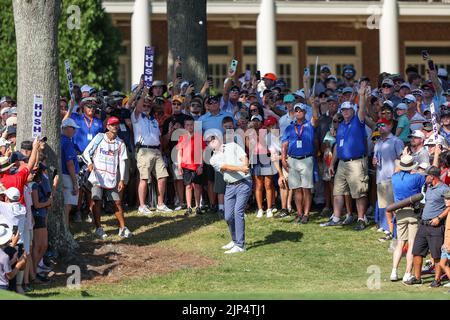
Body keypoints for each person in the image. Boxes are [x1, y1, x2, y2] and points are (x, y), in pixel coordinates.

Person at [322, 82, 369, 230]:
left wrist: (361, 95)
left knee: (359, 192)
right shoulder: (341, 126)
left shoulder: (358, 121)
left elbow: (361, 109)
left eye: (348, 109)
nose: (345, 112)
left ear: (352, 111)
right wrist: (331, 164)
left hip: (356, 162)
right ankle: (336, 217)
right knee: (338, 191)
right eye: (343, 110)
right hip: (342, 162)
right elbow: (337, 146)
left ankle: (361, 219)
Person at [83, 116, 132, 239]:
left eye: (117, 124)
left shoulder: (120, 143)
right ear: (108, 127)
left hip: (112, 177)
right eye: (112, 124)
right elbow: (86, 152)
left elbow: (122, 161)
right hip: (97, 176)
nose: (115, 127)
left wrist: (121, 179)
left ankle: (123, 228)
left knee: (117, 202)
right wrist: (89, 163)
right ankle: (98, 228)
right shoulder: (99, 137)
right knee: (96, 200)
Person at [405, 166, 449, 287]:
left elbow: (449, 206)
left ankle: (437, 280)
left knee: (436, 255)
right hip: (423, 225)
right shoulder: (428, 187)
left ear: (432, 177)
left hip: (436, 227)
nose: (425, 177)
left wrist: (439, 218)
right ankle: (417, 278)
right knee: (417, 252)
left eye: (426, 175)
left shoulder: (444, 189)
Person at [209, 132, 252, 254]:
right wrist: (241, 168)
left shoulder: (233, 145)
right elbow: (226, 167)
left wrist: (245, 164)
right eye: (209, 141)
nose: (211, 142)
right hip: (230, 186)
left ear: (219, 139)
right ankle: (234, 240)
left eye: (213, 139)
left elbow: (244, 156)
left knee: (238, 212)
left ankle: (240, 244)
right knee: (228, 216)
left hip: (244, 182)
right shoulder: (213, 159)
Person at [132, 87, 172, 215]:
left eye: (148, 104)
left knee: (163, 177)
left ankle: (160, 204)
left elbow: (159, 138)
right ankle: (142, 206)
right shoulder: (136, 117)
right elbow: (138, 108)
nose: (146, 106)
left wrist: (170, 133)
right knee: (144, 178)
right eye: (144, 104)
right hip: (144, 150)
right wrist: (143, 94)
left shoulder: (153, 120)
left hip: (156, 150)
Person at [281, 101, 319, 224]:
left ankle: (306, 214)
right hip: (292, 160)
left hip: (306, 159)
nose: (298, 112)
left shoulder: (309, 125)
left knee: (306, 189)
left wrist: (314, 105)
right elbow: (284, 145)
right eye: (296, 110)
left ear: (304, 112)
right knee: (296, 189)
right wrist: (283, 158)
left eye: (300, 110)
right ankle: (299, 213)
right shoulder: (289, 127)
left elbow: (316, 118)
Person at [389, 155, 426, 283]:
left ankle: (394, 271)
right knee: (411, 244)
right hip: (413, 212)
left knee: (400, 243)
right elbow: (427, 176)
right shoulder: (416, 177)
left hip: (399, 212)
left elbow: (396, 171)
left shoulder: (394, 178)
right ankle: (407, 273)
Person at [373, 118, 404, 241]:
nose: (380, 127)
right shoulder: (378, 143)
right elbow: (376, 159)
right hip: (380, 178)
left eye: (383, 125)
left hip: (392, 178)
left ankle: (399, 233)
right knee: (386, 209)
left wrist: (396, 176)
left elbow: (402, 159)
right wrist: (374, 162)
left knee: (394, 208)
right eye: (378, 125)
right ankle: (391, 233)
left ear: (390, 126)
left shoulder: (396, 141)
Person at [248, 114, 276, 218]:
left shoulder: (266, 132)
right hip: (255, 158)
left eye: (257, 120)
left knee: (268, 184)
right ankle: (260, 209)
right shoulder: (249, 133)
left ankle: (269, 208)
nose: (255, 122)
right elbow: (249, 147)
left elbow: (265, 144)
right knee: (258, 185)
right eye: (253, 121)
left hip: (266, 157)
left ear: (261, 122)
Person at [177, 116, 205, 216]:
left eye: (191, 125)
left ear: (194, 126)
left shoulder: (199, 137)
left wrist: (201, 166)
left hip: (196, 165)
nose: (189, 127)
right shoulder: (182, 137)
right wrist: (179, 166)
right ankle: (189, 207)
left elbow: (202, 152)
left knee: (197, 186)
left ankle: (197, 206)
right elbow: (180, 152)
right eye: (187, 125)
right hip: (185, 165)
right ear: (184, 126)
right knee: (188, 186)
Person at [61, 119, 80, 225]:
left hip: (62, 174)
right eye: (73, 129)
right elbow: (70, 163)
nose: (75, 131)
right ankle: (66, 230)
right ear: (67, 128)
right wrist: (75, 183)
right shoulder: (67, 142)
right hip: (68, 176)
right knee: (67, 206)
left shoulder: (59, 139)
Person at [0, 225, 27, 291]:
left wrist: (12, 260)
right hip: (2, 287)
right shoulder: (4, 257)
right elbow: (10, 276)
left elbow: (2, 266)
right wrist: (18, 265)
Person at [440, 190, 450, 291]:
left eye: (448, 199)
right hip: (446, 244)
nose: (445, 200)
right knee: (442, 264)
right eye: (445, 198)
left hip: (449, 245)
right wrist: (444, 243)